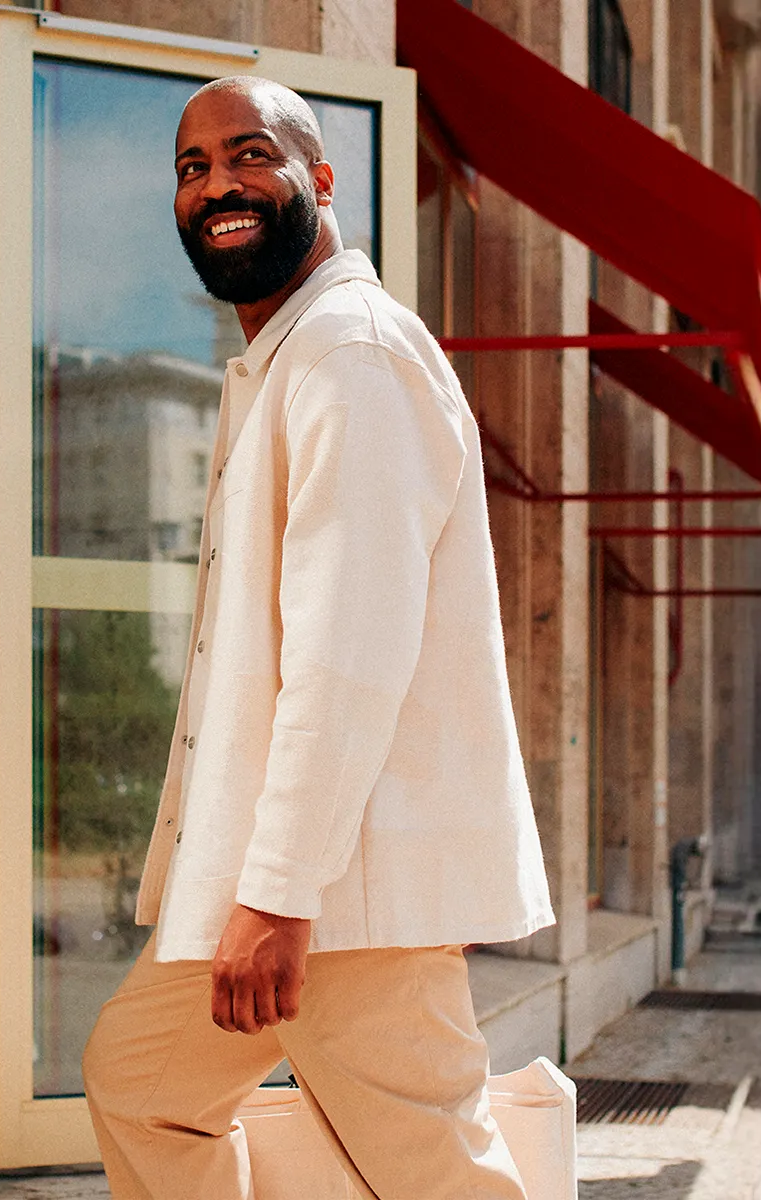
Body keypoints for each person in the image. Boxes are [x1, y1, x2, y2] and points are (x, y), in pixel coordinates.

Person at [81, 76, 555, 1200]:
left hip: (346, 893)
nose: (217, 186)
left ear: (321, 181)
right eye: (193, 168)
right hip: (287, 880)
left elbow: (350, 650)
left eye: (249, 156)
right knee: (140, 1082)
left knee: (437, 1172)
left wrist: (279, 894)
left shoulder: (351, 354)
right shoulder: (288, 361)